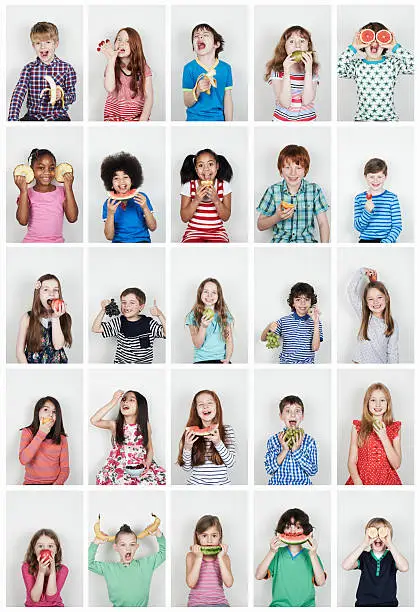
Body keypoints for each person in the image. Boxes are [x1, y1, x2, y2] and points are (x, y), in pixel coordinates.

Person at [337, 22, 414, 121]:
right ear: (362, 44)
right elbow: (338, 69)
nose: (374, 43)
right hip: (362, 119)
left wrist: (395, 47)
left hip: (389, 119)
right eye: (369, 39)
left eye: (379, 40)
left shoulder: (393, 63)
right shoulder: (356, 65)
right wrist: (353, 47)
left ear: (385, 45)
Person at [91, 389, 166, 485]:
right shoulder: (115, 425)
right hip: (119, 467)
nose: (125, 401)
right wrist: (113, 401)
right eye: (124, 399)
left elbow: (150, 448)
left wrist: (147, 463)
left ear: (140, 406)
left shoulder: (145, 425)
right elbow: (94, 420)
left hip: (141, 467)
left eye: (131, 400)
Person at [257, 144, 329, 243]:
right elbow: (260, 225)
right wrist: (277, 217)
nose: (292, 173)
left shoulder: (314, 190)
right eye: (287, 167)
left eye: (298, 168)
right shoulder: (273, 191)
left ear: (305, 170)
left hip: (307, 246)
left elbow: (323, 223)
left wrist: (324, 249)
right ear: (281, 171)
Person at [255, 508, 326, 606]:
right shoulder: (277, 554)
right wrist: (271, 551)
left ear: (305, 529)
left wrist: (313, 555)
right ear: (282, 530)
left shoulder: (311, 555)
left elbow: (321, 582)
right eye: (288, 527)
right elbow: (258, 575)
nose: (293, 531)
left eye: (298, 527)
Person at [8, 22, 77, 121]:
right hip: (33, 116)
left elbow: (72, 96)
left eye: (47, 42)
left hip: (58, 116)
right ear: (33, 46)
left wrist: (62, 96)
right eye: (38, 43)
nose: (42, 47)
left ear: (56, 44)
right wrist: (12, 119)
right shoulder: (29, 69)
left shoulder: (67, 69)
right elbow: (19, 93)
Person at [88, 522, 166, 606]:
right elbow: (89, 563)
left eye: (132, 544)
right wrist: (95, 542)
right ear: (116, 547)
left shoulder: (146, 565)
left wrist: (158, 534)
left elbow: (164, 553)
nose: (128, 548)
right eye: (123, 545)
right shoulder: (109, 569)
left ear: (136, 546)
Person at [14, 148, 78, 243]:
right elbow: (23, 221)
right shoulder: (26, 193)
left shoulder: (62, 192)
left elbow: (72, 218)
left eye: (51, 168)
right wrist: (23, 191)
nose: (47, 172)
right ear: (31, 170)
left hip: (57, 245)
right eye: (41, 168)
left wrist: (68, 187)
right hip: (31, 244)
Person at [341, 517, 408, 606]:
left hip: (389, 604)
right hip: (364, 604)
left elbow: (404, 567)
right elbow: (346, 566)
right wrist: (365, 543)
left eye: (382, 532)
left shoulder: (393, 556)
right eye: (374, 532)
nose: (378, 537)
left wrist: (389, 544)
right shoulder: (364, 556)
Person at [346, 383, 401, 485]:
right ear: (367, 403)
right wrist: (357, 481)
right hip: (362, 480)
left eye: (382, 400)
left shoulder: (394, 428)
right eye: (373, 400)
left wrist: (384, 437)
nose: (378, 405)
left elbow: (396, 464)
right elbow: (351, 462)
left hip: (387, 482)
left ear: (388, 403)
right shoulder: (357, 427)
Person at [92, 287, 166, 364]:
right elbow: (96, 329)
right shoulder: (118, 322)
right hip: (121, 368)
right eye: (124, 302)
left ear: (141, 307)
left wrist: (160, 315)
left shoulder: (149, 323)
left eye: (132, 302)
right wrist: (103, 310)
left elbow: (166, 333)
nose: (126, 306)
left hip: (143, 369)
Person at [177, 390, 235, 485]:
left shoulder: (227, 431)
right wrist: (187, 447)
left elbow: (230, 463)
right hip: (195, 486)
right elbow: (186, 468)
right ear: (196, 410)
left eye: (210, 403)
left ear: (217, 407)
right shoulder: (190, 433)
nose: (205, 406)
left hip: (221, 487)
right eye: (200, 404)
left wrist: (218, 442)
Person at [265, 26, 319, 121]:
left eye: (302, 41)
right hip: (282, 123)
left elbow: (306, 101)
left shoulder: (313, 70)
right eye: (291, 41)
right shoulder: (277, 71)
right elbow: (285, 103)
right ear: (284, 46)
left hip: (308, 123)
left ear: (308, 46)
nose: (297, 45)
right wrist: (286, 71)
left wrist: (308, 71)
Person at [100, 151, 156, 243]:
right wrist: (110, 213)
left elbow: (153, 227)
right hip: (119, 244)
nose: (121, 181)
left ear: (132, 180)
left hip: (142, 242)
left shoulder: (142, 198)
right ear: (111, 184)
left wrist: (145, 207)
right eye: (116, 178)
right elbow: (109, 236)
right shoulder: (109, 203)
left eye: (125, 177)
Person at [99, 27, 153, 121]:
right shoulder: (111, 66)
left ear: (135, 46)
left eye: (127, 41)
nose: (121, 43)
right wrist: (111, 60)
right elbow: (109, 88)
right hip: (113, 119)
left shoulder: (144, 68)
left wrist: (142, 122)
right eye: (119, 39)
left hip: (137, 119)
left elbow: (149, 97)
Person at [261, 282, 323, 364]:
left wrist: (316, 323)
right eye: (298, 300)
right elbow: (263, 338)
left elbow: (315, 347)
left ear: (311, 302)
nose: (302, 303)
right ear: (293, 303)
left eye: (306, 299)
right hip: (286, 366)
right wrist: (269, 326)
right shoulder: (283, 321)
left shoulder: (316, 323)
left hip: (307, 367)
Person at [16, 274, 72, 364]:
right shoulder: (27, 318)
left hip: (57, 369)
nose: (51, 293)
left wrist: (55, 317)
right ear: (39, 294)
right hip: (33, 368)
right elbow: (19, 352)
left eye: (55, 290)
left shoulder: (65, 317)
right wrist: (28, 372)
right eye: (46, 289)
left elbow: (57, 345)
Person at [180, 149, 233, 243]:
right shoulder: (189, 186)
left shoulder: (224, 185)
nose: (206, 169)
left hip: (217, 232)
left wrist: (216, 200)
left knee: (222, 253)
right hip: (193, 232)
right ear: (196, 170)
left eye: (210, 164)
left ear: (217, 166)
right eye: (201, 165)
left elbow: (226, 217)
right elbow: (184, 218)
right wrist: (196, 200)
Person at [182, 23, 233, 121]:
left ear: (216, 44)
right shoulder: (189, 68)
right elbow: (187, 102)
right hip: (194, 121)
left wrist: (229, 126)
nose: (200, 37)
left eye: (205, 35)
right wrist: (197, 91)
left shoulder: (226, 68)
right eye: (196, 36)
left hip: (218, 121)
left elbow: (228, 100)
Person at [347, 268, 398, 364]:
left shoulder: (392, 324)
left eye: (379, 297)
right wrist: (362, 272)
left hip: (379, 368)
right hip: (359, 365)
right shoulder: (365, 315)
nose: (376, 302)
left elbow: (393, 353)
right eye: (371, 299)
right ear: (366, 302)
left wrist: (393, 370)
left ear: (386, 298)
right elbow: (351, 291)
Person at [265, 395, 318, 485]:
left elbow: (312, 471)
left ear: (302, 416)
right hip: (278, 488)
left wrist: (296, 451)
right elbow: (269, 469)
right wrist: (285, 450)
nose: (293, 415)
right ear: (281, 416)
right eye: (288, 411)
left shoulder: (309, 441)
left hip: (302, 489)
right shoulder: (273, 440)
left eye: (297, 411)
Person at [19, 396, 69, 485]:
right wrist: (41, 434)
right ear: (38, 412)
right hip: (31, 485)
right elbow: (23, 460)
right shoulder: (27, 432)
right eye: (46, 410)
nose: (50, 414)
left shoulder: (61, 438)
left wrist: (56, 485)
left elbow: (65, 469)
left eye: (54, 412)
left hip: (54, 485)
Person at [186, 515, 233, 606]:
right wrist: (199, 558)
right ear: (197, 536)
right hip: (196, 604)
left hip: (220, 603)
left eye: (214, 535)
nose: (209, 540)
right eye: (204, 535)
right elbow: (191, 584)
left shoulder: (224, 557)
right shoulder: (191, 556)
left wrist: (220, 558)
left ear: (220, 536)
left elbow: (229, 583)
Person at [354, 158, 402, 243]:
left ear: (385, 177)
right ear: (365, 177)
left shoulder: (392, 198)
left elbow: (397, 226)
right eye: (372, 177)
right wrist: (367, 211)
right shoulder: (359, 198)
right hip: (365, 241)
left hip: (387, 242)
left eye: (379, 176)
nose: (375, 180)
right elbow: (358, 227)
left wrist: (385, 242)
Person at [186, 278, 234, 364]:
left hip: (221, 361)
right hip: (201, 361)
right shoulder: (193, 316)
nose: (209, 296)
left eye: (214, 292)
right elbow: (197, 344)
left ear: (219, 296)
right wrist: (203, 326)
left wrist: (227, 358)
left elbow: (229, 340)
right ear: (200, 294)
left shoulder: (224, 314)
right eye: (206, 292)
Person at [22, 529, 68, 606]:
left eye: (50, 546)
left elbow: (51, 598)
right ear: (34, 549)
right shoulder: (26, 567)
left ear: (56, 550)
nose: (45, 549)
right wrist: (41, 572)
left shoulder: (63, 570)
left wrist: (52, 571)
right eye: (40, 546)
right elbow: (35, 598)